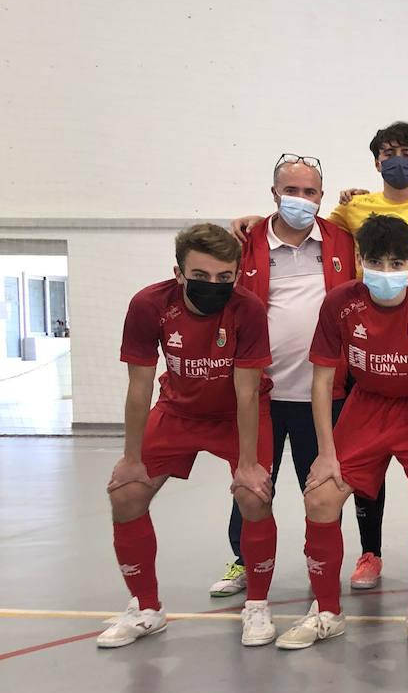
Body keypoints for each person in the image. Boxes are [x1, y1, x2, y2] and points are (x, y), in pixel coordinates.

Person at [233, 121, 408, 590]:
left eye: (407, 153)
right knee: (294, 488)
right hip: (331, 385)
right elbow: (296, 222)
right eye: (388, 152)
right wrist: (251, 221)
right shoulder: (348, 218)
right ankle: (305, 595)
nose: (398, 160)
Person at [275, 215, 408, 651]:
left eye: (397, 262)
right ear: (359, 260)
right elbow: (321, 381)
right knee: (320, 494)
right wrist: (325, 452)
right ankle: (326, 612)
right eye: (376, 261)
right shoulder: (339, 302)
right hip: (367, 406)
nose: (386, 271)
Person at [99, 223, 277, 648]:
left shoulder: (247, 309)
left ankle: (256, 605)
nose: (213, 285)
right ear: (179, 273)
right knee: (126, 493)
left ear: (236, 274)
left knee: (254, 495)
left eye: (223, 277)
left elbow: (247, 389)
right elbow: (139, 384)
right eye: (200, 276)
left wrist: (249, 465)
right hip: (177, 411)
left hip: (236, 414)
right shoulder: (149, 304)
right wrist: (130, 457)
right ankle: (145, 608)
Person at [209, 154, 357, 599]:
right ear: (274, 194)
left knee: (321, 488)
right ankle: (243, 560)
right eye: (291, 191)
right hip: (262, 393)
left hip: (324, 395)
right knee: (251, 481)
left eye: (309, 192)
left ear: (321, 198)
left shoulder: (342, 241)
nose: (300, 200)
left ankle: (320, 563)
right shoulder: (245, 240)